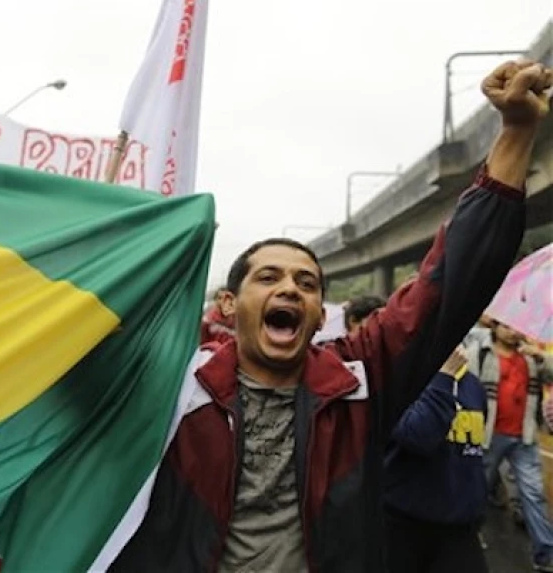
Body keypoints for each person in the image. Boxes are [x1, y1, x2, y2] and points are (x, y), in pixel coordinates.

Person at [107, 60, 549, 572]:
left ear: (320, 315)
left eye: (307, 283)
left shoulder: (358, 384)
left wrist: (517, 131)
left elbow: (449, 282)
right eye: (268, 278)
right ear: (230, 305)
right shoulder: (177, 387)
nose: (290, 289)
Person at [383, 346, 489, 572]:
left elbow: (473, 452)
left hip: (460, 530)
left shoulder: (474, 386)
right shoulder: (399, 376)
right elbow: (420, 436)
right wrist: (443, 377)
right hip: (403, 527)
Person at [467, 321, 553, 571]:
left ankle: (545, 554)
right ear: (495, 328)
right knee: (476, 490)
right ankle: (468, 537)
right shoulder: (479, 354)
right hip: (488, 435)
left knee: (534, 495)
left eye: (517, 327)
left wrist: (540, 355)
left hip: (524, 436)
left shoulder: (530, 358)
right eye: (507, 327)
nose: (513, 331)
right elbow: (465, 387)